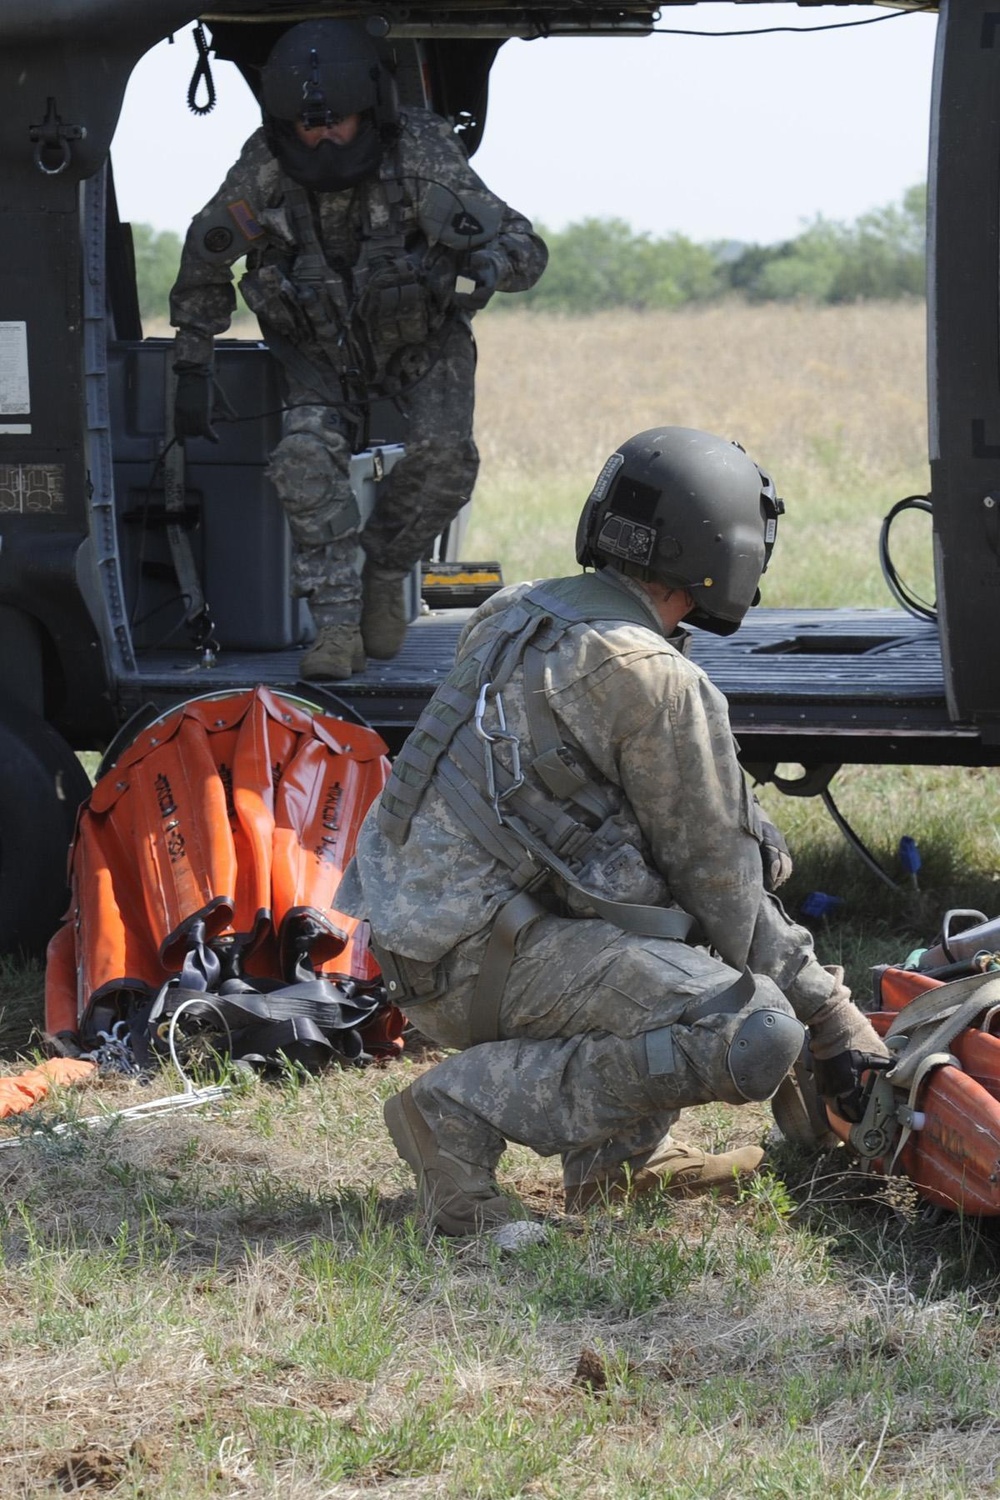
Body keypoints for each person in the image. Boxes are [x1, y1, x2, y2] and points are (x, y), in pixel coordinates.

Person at [338, 426, 891, 1236]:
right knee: (750, 1027)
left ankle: (616, 1169)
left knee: (662, 929)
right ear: (721, 554)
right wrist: (834, 1023)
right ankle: (454, 1112)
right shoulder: (652, 677)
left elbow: (617, 857)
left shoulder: (518, 609)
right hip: (477, 960)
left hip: (420, 939)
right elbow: (724, 892)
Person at [169, 20, 547, 681]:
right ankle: (338, 629)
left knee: (446, 462)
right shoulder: (264, 164)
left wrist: (488, 265)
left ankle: (388, 564)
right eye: (307, 125)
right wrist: (194, 355)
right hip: (316, 352)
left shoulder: (420, 149)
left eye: (337, 121)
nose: (322, 136)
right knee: (303, 464)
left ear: (368, 110)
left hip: (423, 342)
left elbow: (522, 243)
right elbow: (208, 252)